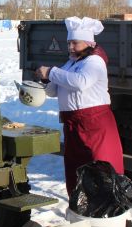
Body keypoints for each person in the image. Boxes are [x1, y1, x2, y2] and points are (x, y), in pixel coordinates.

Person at [35, 16, 124, 197]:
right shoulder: (71, 63)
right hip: (74, 125)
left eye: (75, 43)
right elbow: (53, 91)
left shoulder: (94, 62)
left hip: (95, 125)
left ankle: (108, 211)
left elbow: (80, 83)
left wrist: (52, 71)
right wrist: (46, 79)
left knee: (101, 168)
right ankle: (80, 207)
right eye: (69, 43)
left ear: (88, 43)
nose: (70, 47)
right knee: (76, 169)